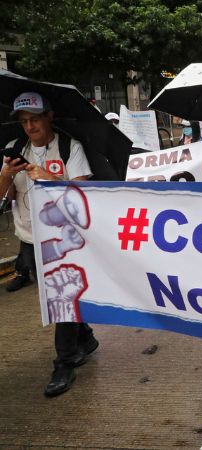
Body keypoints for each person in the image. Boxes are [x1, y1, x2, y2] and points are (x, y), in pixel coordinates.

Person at [0, 92, 97, 397]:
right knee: (53, 295)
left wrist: (48, 179)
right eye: (24, 122)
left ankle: (64, 364)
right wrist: (5, 175)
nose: (30, 127)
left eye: (35, 119)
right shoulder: (15, 149)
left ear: (49, 116)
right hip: (29, 238)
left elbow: (82, 194)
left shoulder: (69, 147)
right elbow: (4, 197)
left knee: (61, 297)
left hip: (63, 239)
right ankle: (86, 336)